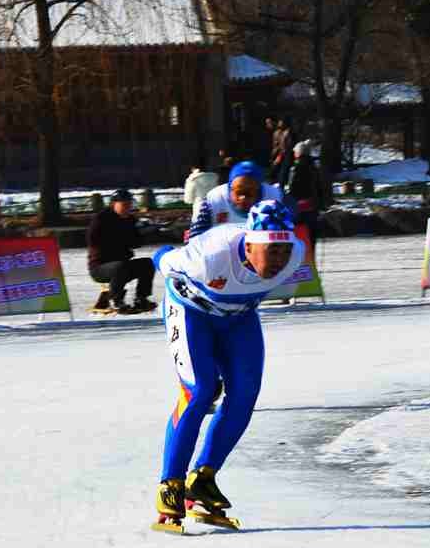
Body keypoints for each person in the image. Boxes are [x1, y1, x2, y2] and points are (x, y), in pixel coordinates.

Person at [152, 200, 307, 528]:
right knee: (200, 390)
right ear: (249, 246)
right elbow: (162, 258)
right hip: (190, 311)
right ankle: (171, 484)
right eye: (271, 250)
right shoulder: (208, 257)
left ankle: (202, 479)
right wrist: (167, 252)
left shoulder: (296, 254)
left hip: (238, 318)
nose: (279, 260)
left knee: (245, 394)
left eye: (284, 250)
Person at [86, 189, 158, 314]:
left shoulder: (130, 219)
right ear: (114, 204)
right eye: (124, 205)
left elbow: (135, 244)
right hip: (99, 268)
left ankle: (141, 299)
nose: (127, 208)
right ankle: (116, 301)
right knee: (120, 266)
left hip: (122, 266)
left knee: (147, 263)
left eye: (129, 205)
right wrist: (120, 239)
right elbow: (93, 240)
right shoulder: (101, 219)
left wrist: (145, 233)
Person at [188, 160, 283, 239]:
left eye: (249, 193)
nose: (243, 198)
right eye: (239, 192)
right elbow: (195, 241)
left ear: (259, 190)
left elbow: (286, 236)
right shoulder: (212, 201)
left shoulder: (274, 199)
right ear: (230, 188)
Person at [285, 140, 323, 252]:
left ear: (298, 153)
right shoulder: (314, 167)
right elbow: (319, 187)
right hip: (312, 206)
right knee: (311, 237)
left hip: (299, 207)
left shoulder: (295, 168)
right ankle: (310, 258)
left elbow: (292, 189)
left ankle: (300, 259)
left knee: (298, 236)